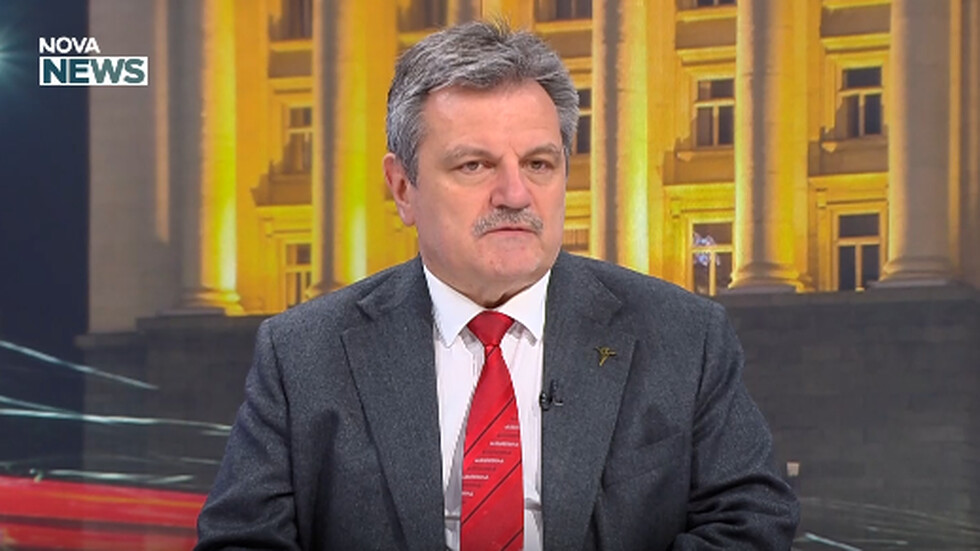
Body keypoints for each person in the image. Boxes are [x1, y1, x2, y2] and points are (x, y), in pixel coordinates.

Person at [196, 20, 799, 551]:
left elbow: (752, 522)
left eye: (539, 164)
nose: (515, 194)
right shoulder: (304, 353)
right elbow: (240, 541)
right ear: (403, 188)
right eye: (475, 165)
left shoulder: (682, 335)